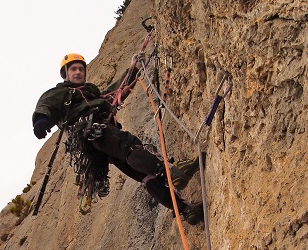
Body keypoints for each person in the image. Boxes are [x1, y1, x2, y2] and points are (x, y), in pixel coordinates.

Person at [32, 53, 204, 224]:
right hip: (93, 131)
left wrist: (134, 69)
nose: (77, 72)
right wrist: (40, 120)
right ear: (66, 74)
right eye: (73, 69)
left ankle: (186, 210)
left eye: (80, 69)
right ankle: (174, 173)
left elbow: (116, 91)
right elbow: (46, 104)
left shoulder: (92, 93)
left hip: (97, 143)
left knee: (144, 175)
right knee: (129, 145)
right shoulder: (62, 92)